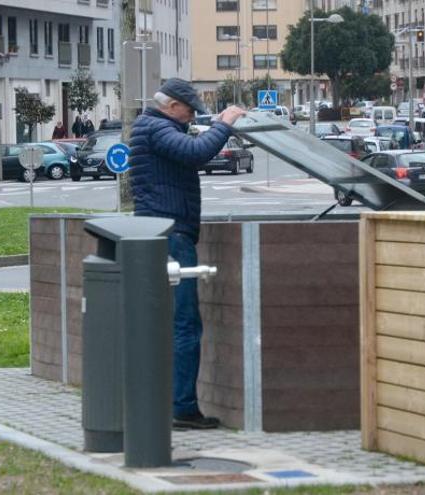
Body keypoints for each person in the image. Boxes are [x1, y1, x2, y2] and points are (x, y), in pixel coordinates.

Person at [129, 78, 246, 430]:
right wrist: (225, 123)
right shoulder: (155, 128)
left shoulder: (153, 127)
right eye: (189, 109)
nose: (191, 115)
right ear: (171, 105)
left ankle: (166, 401)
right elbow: (196, 153)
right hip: (171, 234)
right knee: (184, 324)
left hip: (161, 231)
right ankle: (182, 406)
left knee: (170, 323)